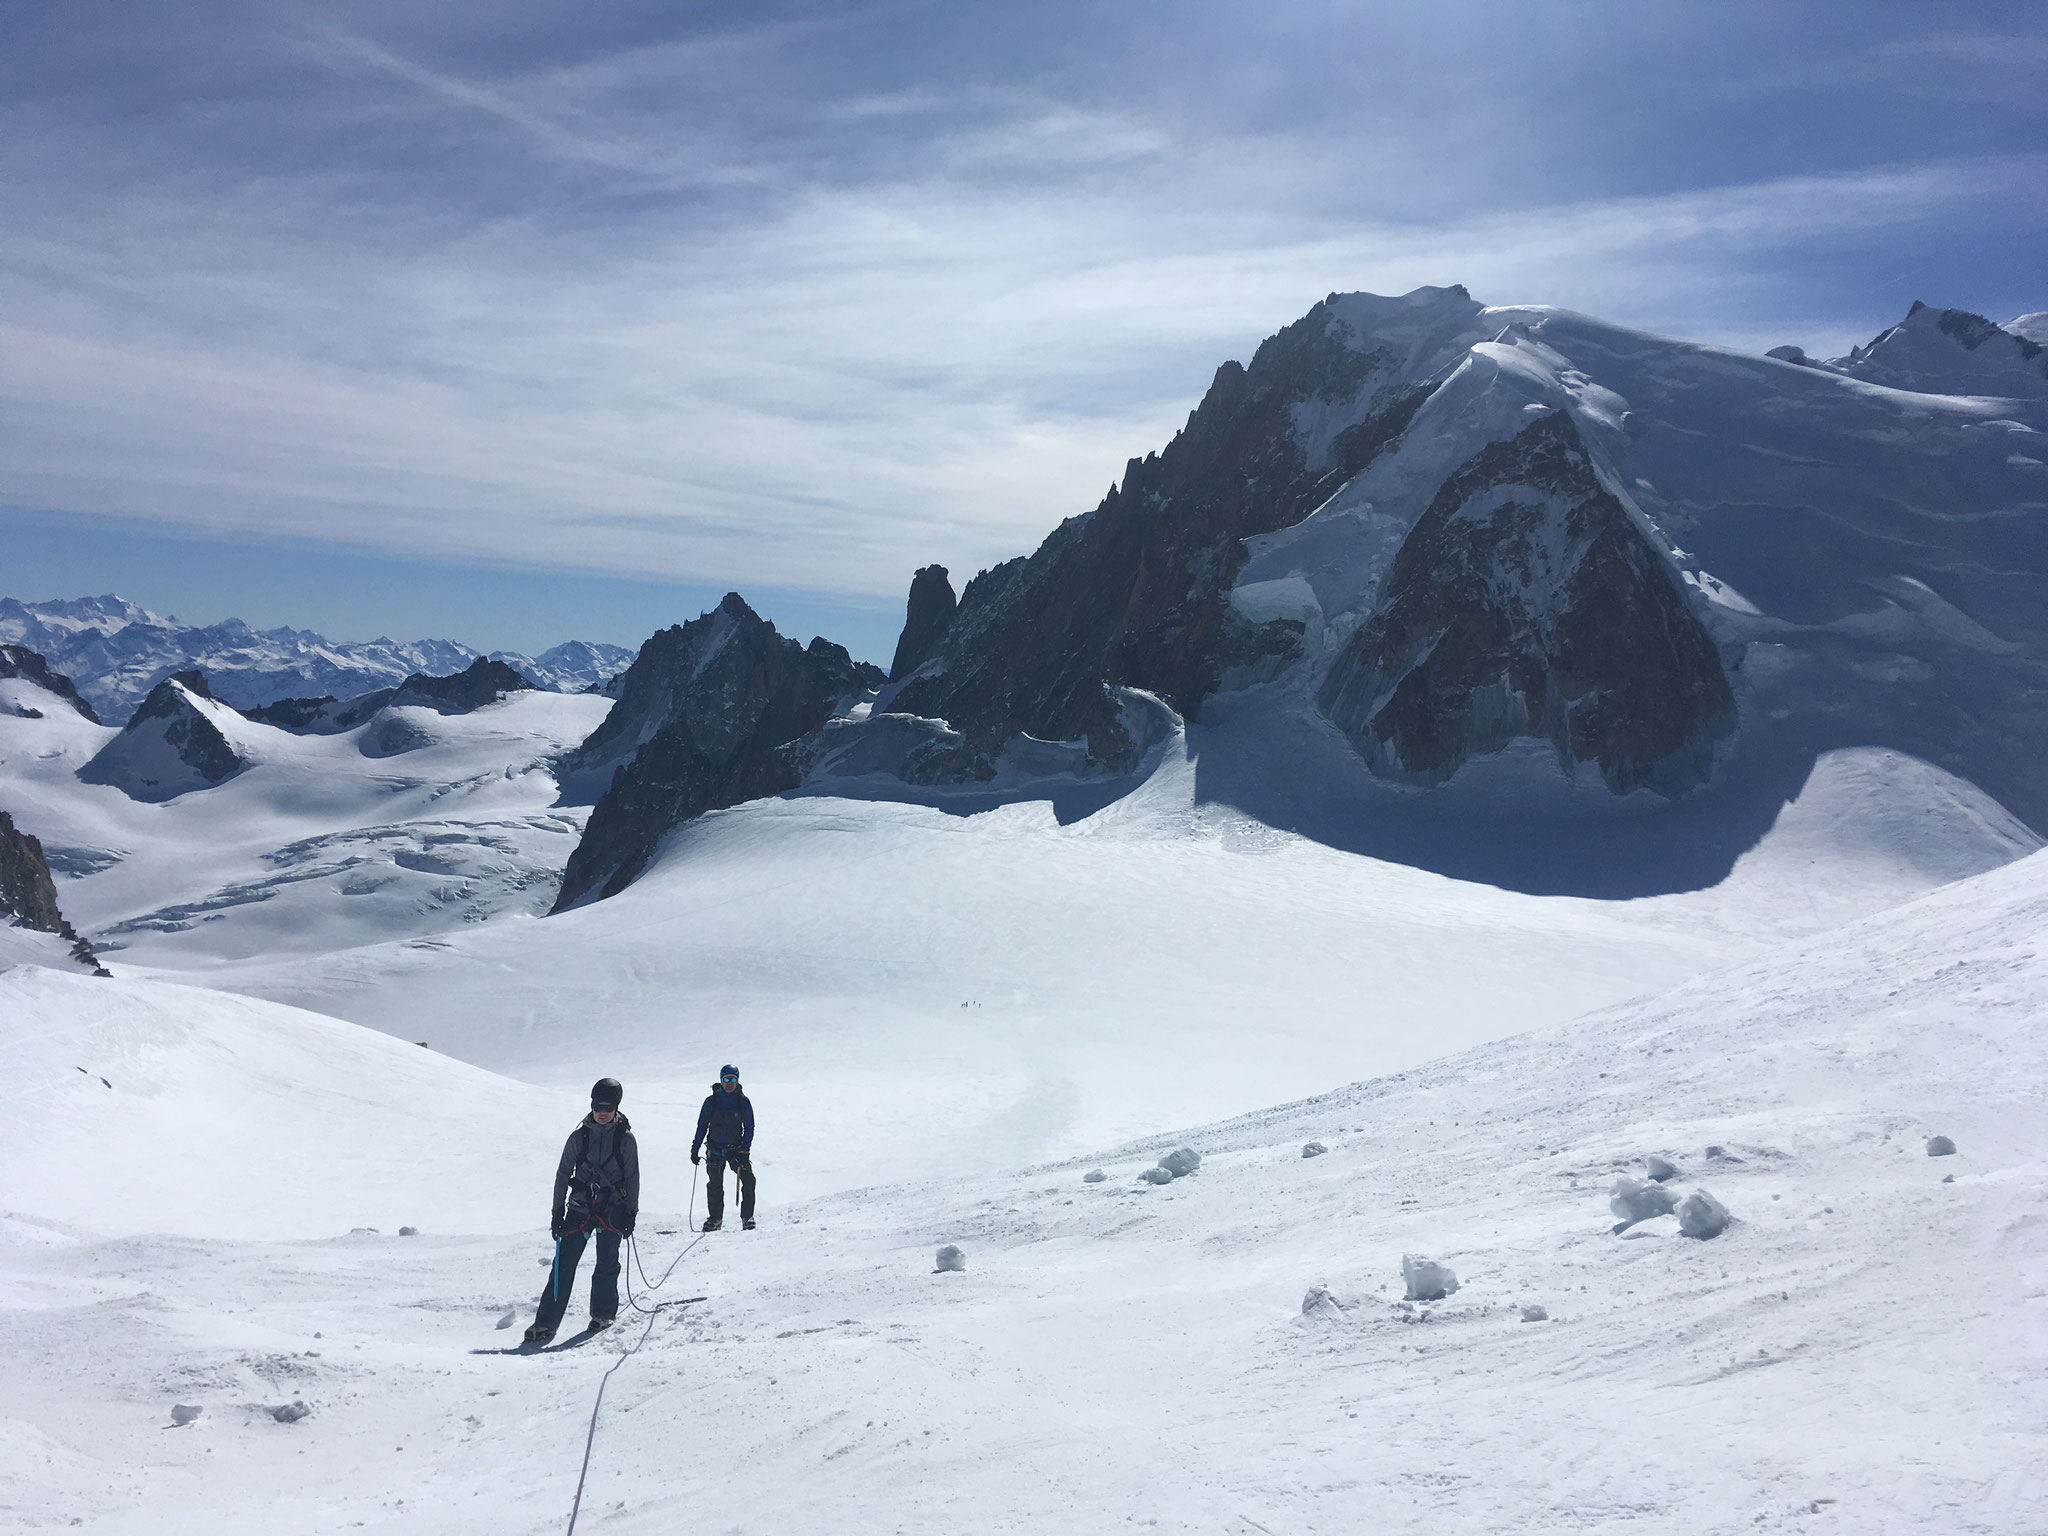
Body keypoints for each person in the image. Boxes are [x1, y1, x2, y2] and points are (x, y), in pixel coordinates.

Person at [525, 1077, 639, 1344]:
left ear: (616, 1107)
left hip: (613, 1209)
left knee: (607, 1263)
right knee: (563, 1264)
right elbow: (562, 1174)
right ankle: (546, 1323)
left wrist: (630, 1213)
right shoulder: (579, 1137)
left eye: (608, 1107)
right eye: (598, 1106)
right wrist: (556, 1213)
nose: (602, 1112)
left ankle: (602, 1314)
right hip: (579, 1207)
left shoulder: (626, 1139)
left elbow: (632, 1178)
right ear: (591, 1104)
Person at [690, 1064, 756, 1231]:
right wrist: (694, 1149)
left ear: (737, 1081)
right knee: (715, 1184)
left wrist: (745, 1150)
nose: (729, 1083)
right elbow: (702, 1126)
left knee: (749, 1180)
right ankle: (715, 1219)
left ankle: (747, 1217)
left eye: (732, 1079)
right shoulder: (711, 1101)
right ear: (721, 1080)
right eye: (726, 1079)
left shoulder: (743, 1102)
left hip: (737, 1150)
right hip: (715, 1149)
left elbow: (749, 1127)